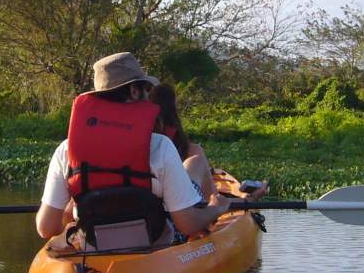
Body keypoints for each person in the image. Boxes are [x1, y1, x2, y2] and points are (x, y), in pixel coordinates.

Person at [35, 52, 230, 244]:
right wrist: (216, 209)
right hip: (155, 247)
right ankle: (211, 200)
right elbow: (188, 225)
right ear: (134, 91)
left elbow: (46, 228)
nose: (148, 96)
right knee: (195, 164)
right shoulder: (160, 145)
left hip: (95, 247)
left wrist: (72, 222)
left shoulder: (66, 150)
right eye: (146, 90)